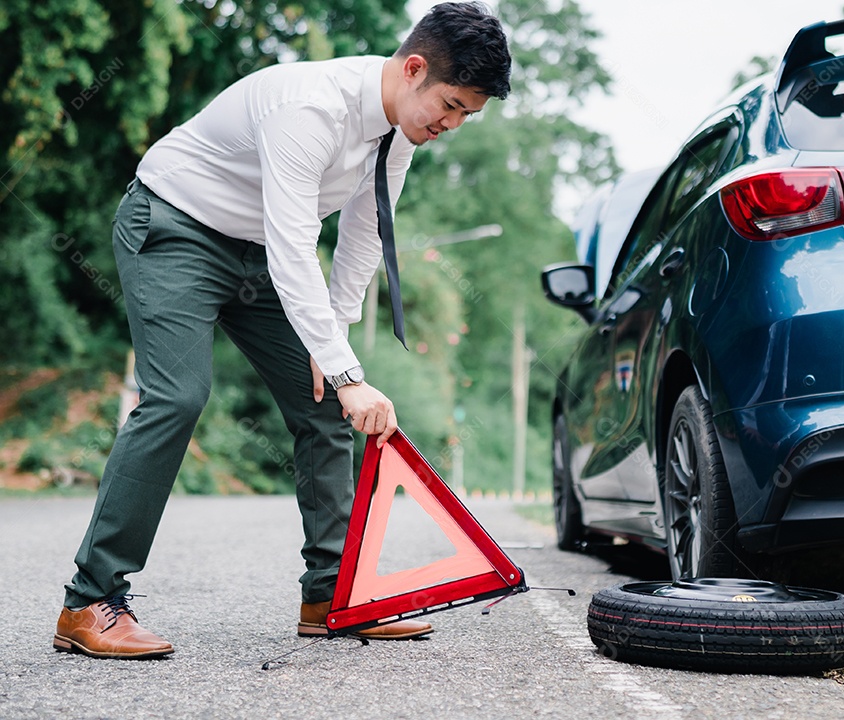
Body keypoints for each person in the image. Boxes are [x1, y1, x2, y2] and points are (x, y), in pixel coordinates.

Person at [52, 2, 512, 659]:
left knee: (325, 402)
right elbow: (295, 246)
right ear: (414, 69)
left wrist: (339, 356)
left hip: (255, 253)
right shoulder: (309, 108)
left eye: (467, 114)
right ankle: (89, 600)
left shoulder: (399, 136)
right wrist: (349, 371)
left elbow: (361, 238)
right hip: (175, 226)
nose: (453, 124)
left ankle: (332, 598)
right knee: (178, 396)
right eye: (453, 104)